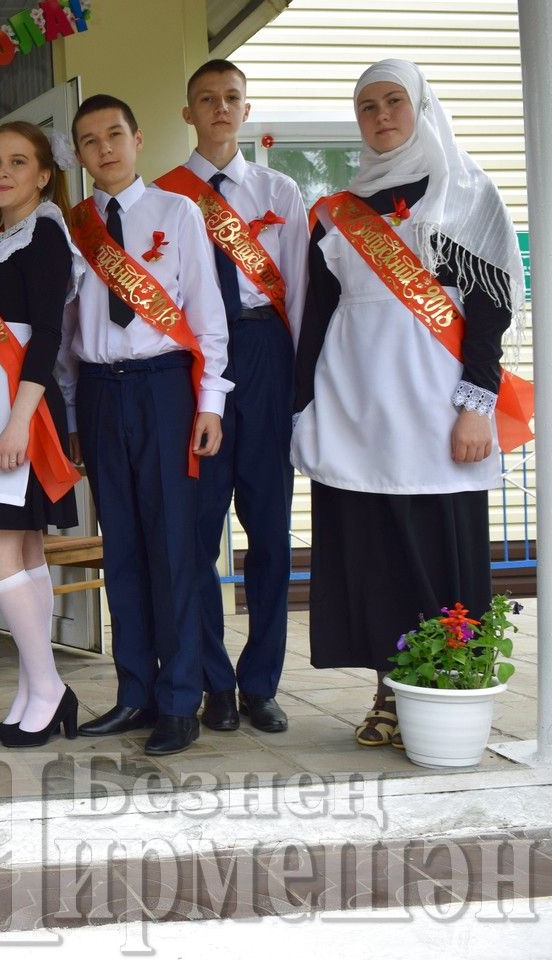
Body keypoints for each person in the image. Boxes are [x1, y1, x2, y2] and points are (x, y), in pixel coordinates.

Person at [292, 60, 527, 748]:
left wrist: (477, 402)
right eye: (367, 106)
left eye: (394, 101)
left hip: (437, 410)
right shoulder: (336, 213)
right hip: (356, 409)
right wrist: (302, 408)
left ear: (422, 107)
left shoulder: (467, 195)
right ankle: (388, 693)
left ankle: (450, 695)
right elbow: (317, 320)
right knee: (374, 559)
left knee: (442, 554)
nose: (381, 114)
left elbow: (490, 312)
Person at [62, 94, 230, 757]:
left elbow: (207, 311)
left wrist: (211, 401)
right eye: (88, 140)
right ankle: (134, 693)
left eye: (114, 135)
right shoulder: (75, 226)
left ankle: (180, 699)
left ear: (136, 138)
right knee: (123, 549)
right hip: (102, 393)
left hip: (165, 390)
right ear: (77, 154)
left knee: (174, 550)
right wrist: (74, 412)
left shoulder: (177, 212)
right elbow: (69, 333)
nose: (103, 148)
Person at [155, 59, 310, 736]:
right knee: (195, 533)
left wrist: (301, 391)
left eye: (232, 98)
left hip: (266, 353)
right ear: (187, 113)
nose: (221, 108)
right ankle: (214, 682)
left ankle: (261, 683)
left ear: (247, 110)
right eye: (206, 99)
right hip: (196, 371)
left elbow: (301, 295)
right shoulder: (165, 196)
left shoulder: (281, 191)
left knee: (270, 532)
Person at [0, 122, 83, 749]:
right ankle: (39, 690)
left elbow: (49, 339)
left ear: (43, 174)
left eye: (18, 162)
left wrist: (15, 420)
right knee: (25, 551)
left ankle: (47, 686)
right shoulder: (3, 237)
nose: (2, 173)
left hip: (17, 412)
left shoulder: (46, 236)